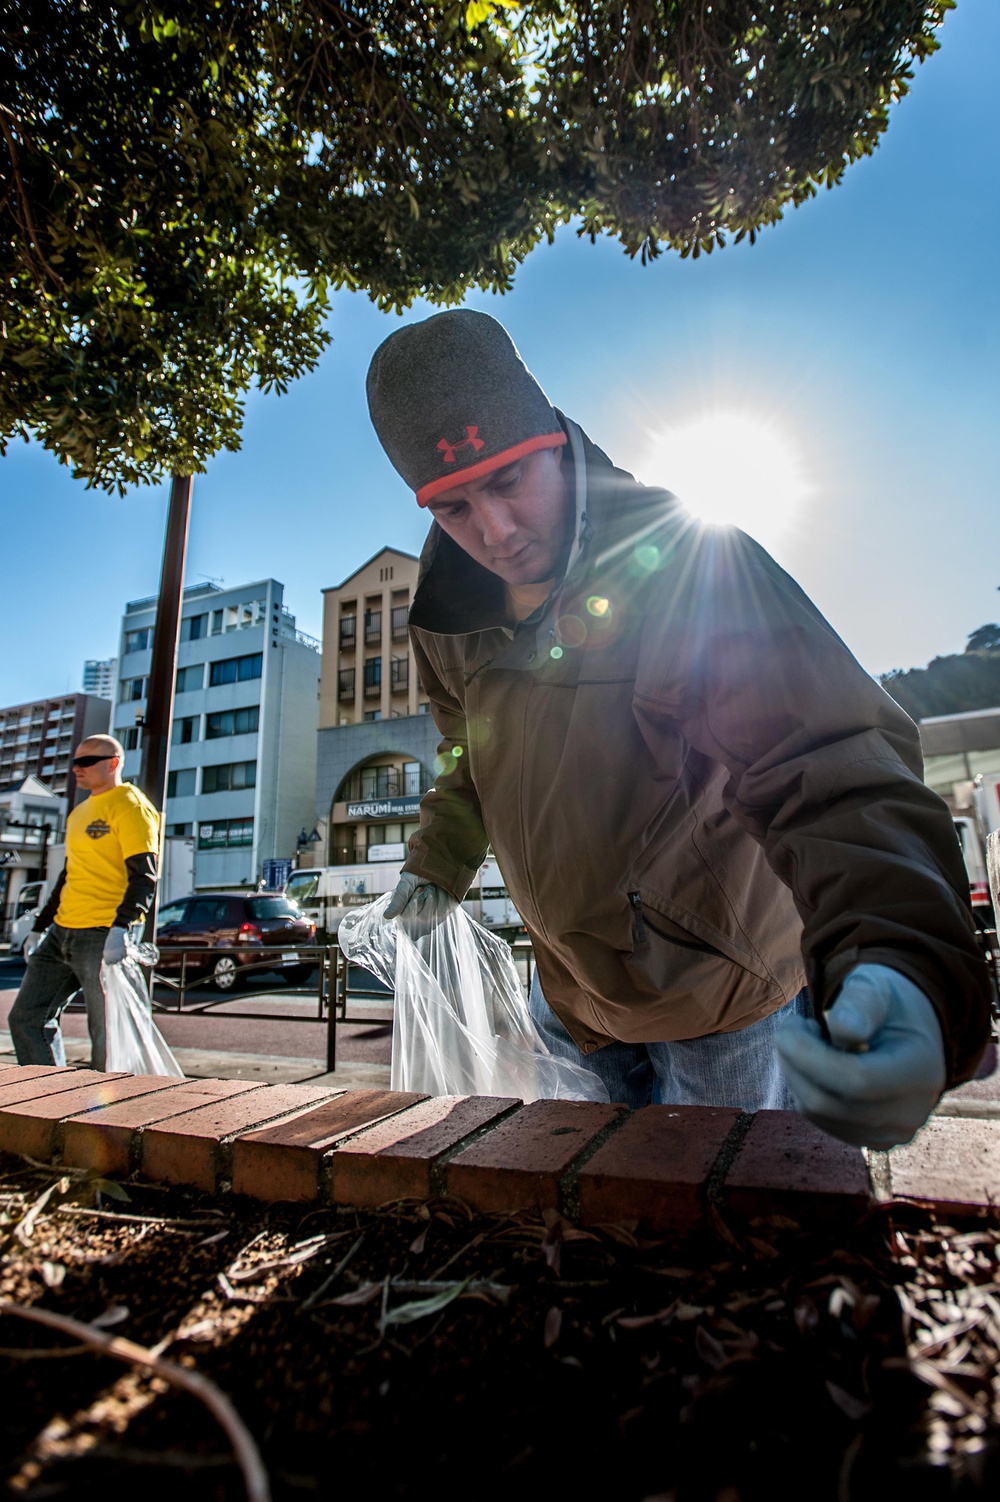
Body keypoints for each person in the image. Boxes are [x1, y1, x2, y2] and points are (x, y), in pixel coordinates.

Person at [365, 309, 992, 1148]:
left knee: (728, 1235)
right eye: (453, 510)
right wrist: (434, 866)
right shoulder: (443, 623)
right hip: (574, 996)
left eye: (509, 482)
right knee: (595, 1232)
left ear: (553, 440)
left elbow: (823, 757)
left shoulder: (689, 557)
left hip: (719, 993)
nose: (496, 533)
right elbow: (473, 760)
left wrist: (900, 960)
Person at [10, 735, 159, 1070]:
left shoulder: (131, 805)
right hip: (61, 932)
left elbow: (145, 875)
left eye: (86, 762)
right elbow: (68, 875)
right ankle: (50, 1099)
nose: (77, 769)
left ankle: (102, 1114)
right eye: (74, 762)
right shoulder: (78, 813)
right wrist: (39, 926)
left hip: (101, 932)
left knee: (107, 1035)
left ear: (113, 763)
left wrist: (121, 928)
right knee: (26, 1018)